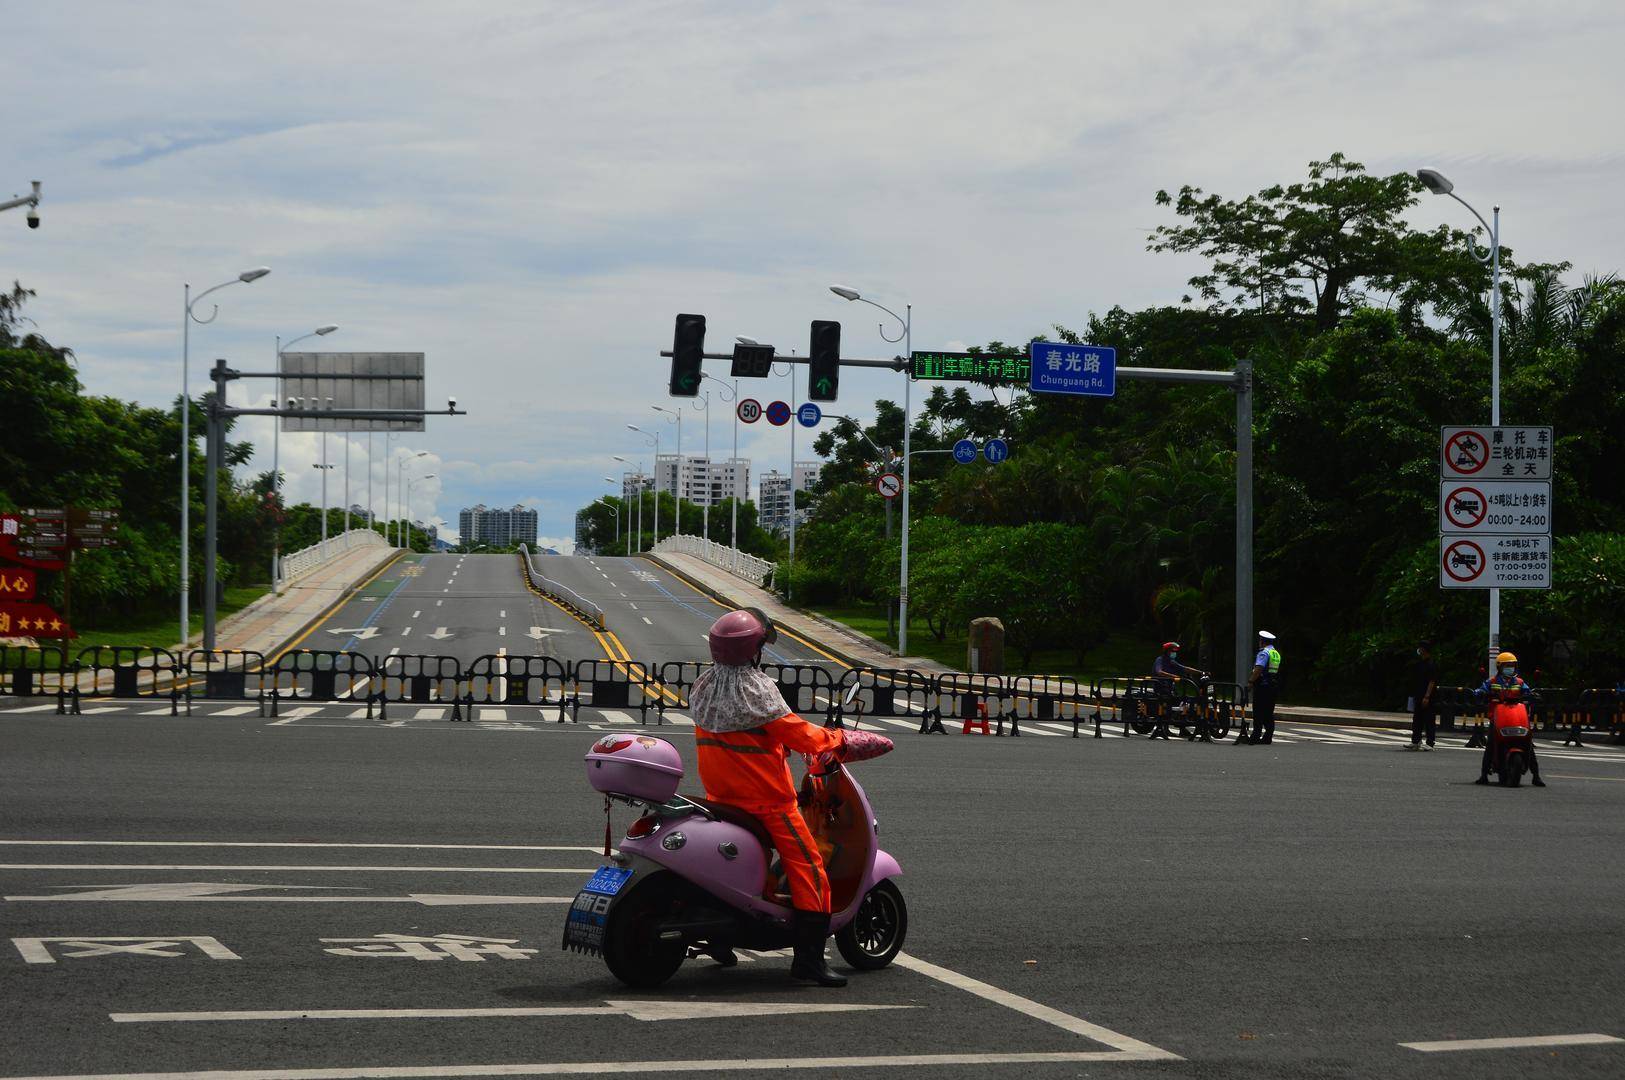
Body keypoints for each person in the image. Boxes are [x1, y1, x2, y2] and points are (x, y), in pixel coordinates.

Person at [686, 607, 849, 987]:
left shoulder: (705, 686)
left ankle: (722, 937)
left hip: (719, 799)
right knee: (810, 869)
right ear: (754, 649)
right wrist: (840, 739)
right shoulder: (756, 688)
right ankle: (809, 960)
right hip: (768, 804)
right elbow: (801, 736)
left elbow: (747, 738)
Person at [1474, 651, 1546, 787]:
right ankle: (1484, 775)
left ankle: (1536, 776)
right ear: (1500, 667)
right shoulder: (1492, 682)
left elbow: (1527, 692)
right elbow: (1481, 690)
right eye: (1507, 666)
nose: (1510, 668)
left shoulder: (1519, 682)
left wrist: (1533, 695)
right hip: (1498, 718)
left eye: (1512, 666)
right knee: (1490, 745)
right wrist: (1480, 693)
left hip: (1516, 717)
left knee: (1529, 745)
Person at [1150, 641, 1209, 740]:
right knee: (1168, 705)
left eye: (1175, 651)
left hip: (1170, 689)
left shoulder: (1171, 662)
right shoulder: (1160, 660)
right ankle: (1165, 728)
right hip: (1161, 688)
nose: (1174, 653)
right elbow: (1159, 671)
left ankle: (1182, 728)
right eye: (1172, 651)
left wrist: (1201, 672)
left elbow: (1185, 668)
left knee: (1183, 704)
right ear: (1166, 651)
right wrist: (1173, 676)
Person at [1244, 631, 1281, 745]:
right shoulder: (1275, 653)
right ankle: (1268, 737)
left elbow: (1259, 669)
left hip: (1262, 685)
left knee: (1258, 712)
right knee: (1268, 712)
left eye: (1260, 641)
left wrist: (1250, 681)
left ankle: (1255, 736)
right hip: (1272, 685)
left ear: (1262, 641)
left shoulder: (1264, 653)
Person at [1407, 640, 1438, 751]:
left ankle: (1430, 743)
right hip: (1418, 694)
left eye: (1420, 648)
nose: (1418, 650)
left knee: (1429, 719)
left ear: (1424, 649)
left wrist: (1427, 696)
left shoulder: (1431, 664)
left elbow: (1432, 681)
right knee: (1417, 719)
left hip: (1427, 696)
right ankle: (1416, 741)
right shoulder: (1420, 663)